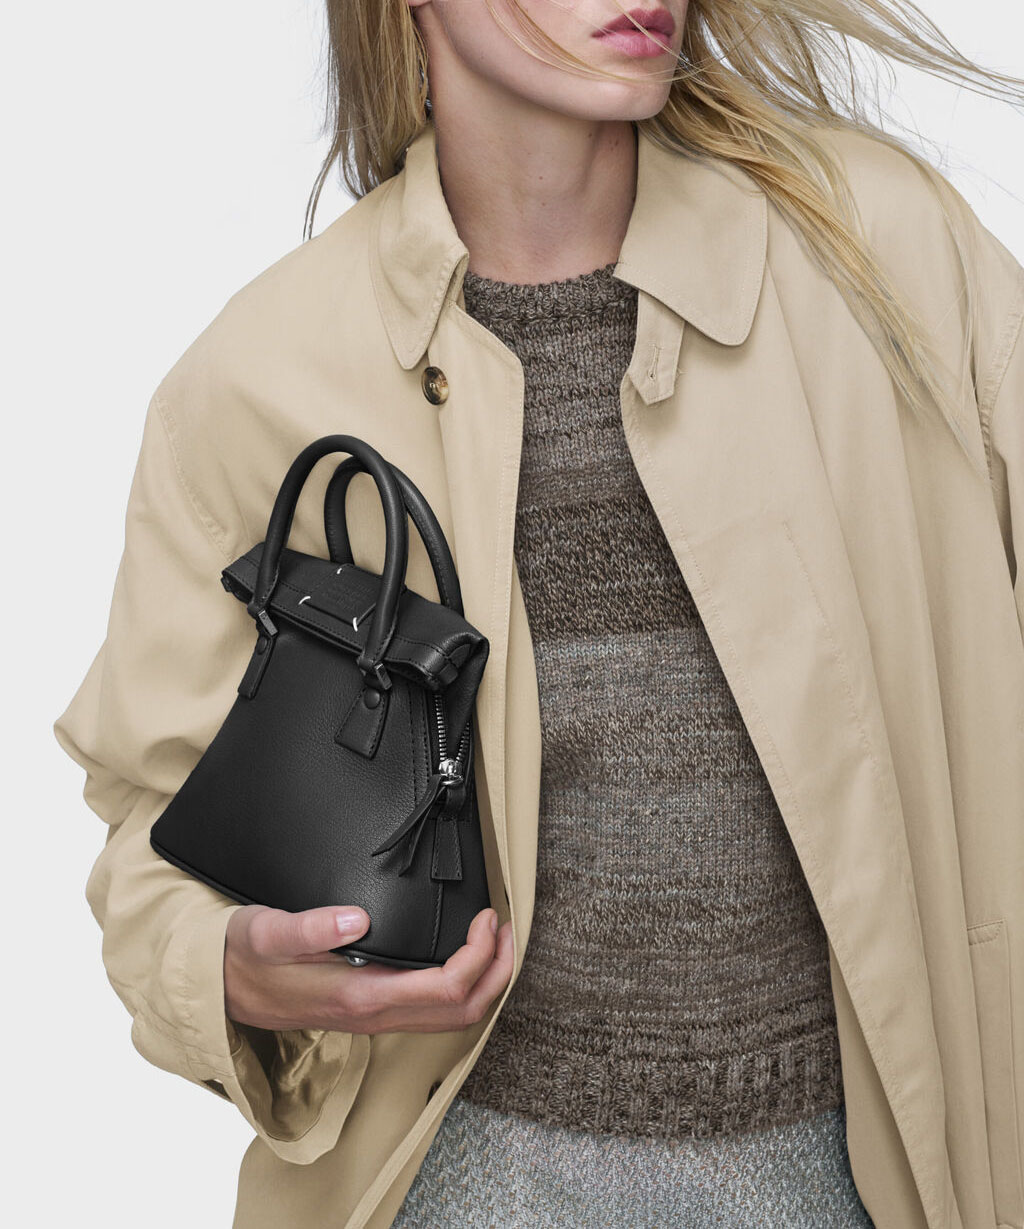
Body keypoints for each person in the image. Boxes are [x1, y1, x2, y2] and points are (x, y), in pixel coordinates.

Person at [53, 2, 1024, 1227]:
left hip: (860, 1173)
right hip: (461, 1178)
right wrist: (231, 969)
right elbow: (152, 832)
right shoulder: (260, 376)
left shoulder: (881, 254)